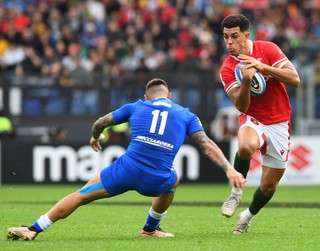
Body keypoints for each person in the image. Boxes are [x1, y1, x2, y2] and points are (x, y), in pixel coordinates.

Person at [7, 78, 246, 241]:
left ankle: (34, 229)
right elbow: (206, 144)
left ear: (147, 96)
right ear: (169, 96)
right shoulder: (186, 114)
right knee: (174, 180)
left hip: (125, 171)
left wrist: (95, 137)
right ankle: (150, 229)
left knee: (81, 195)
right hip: (157, 179)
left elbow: (100, 122)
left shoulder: (136, 106)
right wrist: (228, 169)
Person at [219, 14, 300, 234]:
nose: (229, 42)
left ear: (246, 35)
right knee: (245, 147)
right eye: (226, 37)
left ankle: (247, 217)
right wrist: (246, 80)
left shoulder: (268, 49)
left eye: (234, 36)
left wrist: (261, 66)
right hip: (253, 118)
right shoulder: (227, 69)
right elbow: (242, 107)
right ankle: (235, 195)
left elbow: (295, 80)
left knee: (268, 186)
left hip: (280, 122)